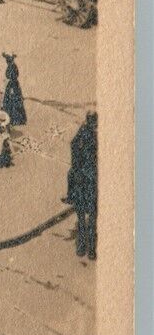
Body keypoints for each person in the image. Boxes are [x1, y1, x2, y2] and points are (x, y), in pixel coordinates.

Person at [66, 111, 97, 261]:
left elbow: (73, 144)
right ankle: (90, 249)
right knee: (92, 218)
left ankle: (82, 247)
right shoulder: (96, 133)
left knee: (83, 217)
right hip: (92, 177)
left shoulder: (83, 130)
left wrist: (76, 162)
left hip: (83, 175)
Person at [1, 52, 27, 126]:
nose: (7, 62)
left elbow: (11, 75)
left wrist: (11, 87)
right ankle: (14, 118)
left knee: (12, 101)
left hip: (13, 85)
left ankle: (14, 119)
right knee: (13, 101)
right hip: (13, 85)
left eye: (7, 61)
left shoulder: (12, 66)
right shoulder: (12, 65)